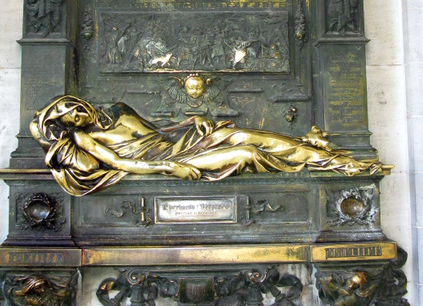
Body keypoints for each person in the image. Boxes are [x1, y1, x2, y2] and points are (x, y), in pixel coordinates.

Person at [30, 96, 392, 197]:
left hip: (182, 142)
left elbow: (155, 130)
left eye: (70, 106)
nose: (75, 114)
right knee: (247, 153)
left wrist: (192, 120)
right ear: (66, 126)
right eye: (67, 117)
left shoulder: (117, 109)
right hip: (175, 159)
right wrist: (169, 167)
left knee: (250, 135)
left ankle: (338, 161)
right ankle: (319, 165)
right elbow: (122, 163)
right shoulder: (85, 139)